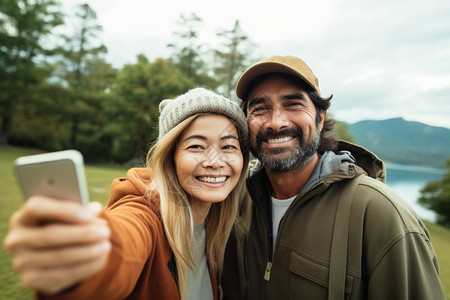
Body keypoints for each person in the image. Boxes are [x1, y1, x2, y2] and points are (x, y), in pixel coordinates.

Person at [221, 55, 446, 299]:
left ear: (320, 118)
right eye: (260, 109)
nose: (276, 123)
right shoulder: (232, 197)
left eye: (293, 104)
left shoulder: (383, 216)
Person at [4, 88, 250, 300]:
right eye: (196, 146)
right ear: (169, 157)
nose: (214, 161)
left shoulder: (220, 219)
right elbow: (122, 244)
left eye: (228, 146)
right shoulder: (144, 213)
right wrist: (86, 259)